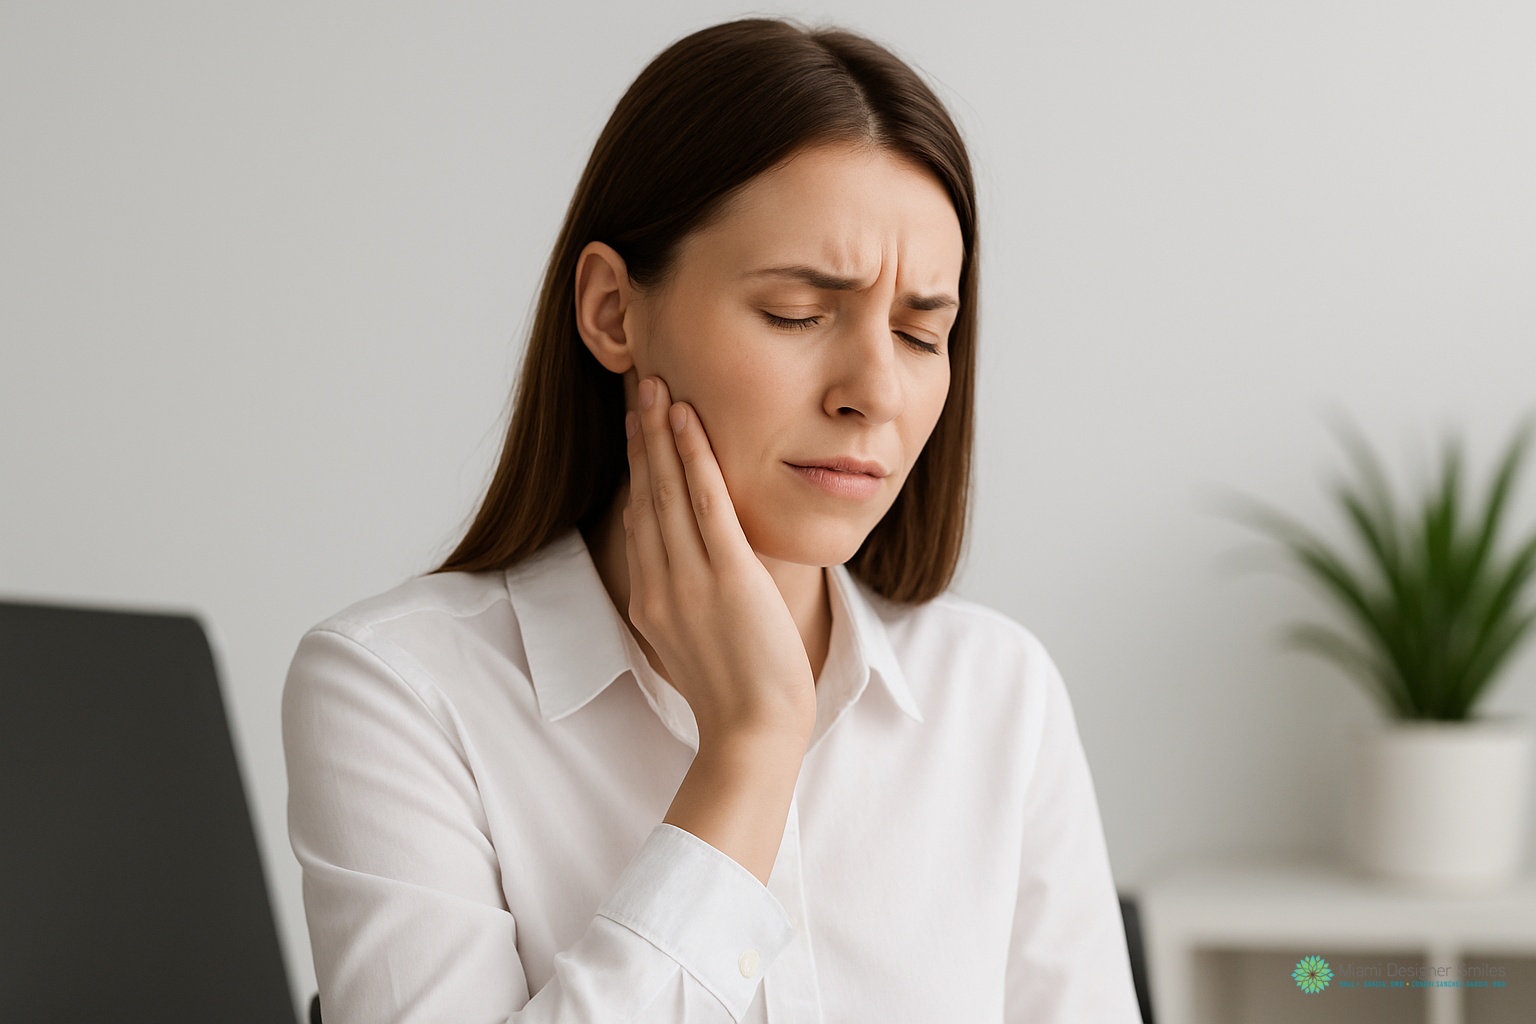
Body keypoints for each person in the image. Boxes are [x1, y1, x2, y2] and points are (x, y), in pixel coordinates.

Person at [283, 17, 1142, 1023]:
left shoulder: (1000, 696)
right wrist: (749, 749)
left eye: (921, 332)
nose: (876, 390)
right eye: (797, 313)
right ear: (613, 311)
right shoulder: (403, 691)